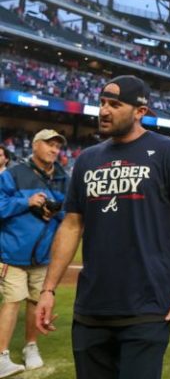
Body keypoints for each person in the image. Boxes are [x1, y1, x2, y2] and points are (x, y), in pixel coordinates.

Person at [35, 75, 170, 379]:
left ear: (140, 111)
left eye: (115, 104)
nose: (104, 111)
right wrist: (48, 289)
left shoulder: (168, 152)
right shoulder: (87, 159)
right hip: (91, 308)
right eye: (101, 103)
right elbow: (72, 225)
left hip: (148, 307)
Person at [0, 129, 68, 376]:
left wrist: (55, 211)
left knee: (36, 302)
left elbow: (70, 215)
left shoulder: (62, 177)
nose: (54, 150)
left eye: (57, 147)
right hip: (13, 252)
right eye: (49, 144)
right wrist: (25, 202)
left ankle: (31, 346)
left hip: (44, 254)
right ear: (35, 145)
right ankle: (1, 355)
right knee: (12, 302)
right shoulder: (14, 174)